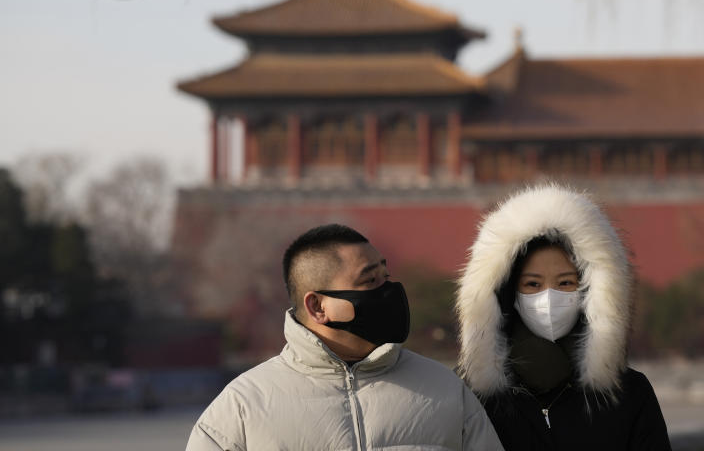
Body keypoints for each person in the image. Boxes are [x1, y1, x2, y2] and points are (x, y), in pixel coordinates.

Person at [186, 223, 504, 451]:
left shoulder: (444, 389)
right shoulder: (242, 407)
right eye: (370, 281)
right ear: (317, 306)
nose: (389, 292)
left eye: (386, 277)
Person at [456, 184, 672, 450]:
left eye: (566, 283)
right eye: (533, 285)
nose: (549, 297)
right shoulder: (467, 396)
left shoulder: (629, 393)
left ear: (593, 291)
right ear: (506, 293)